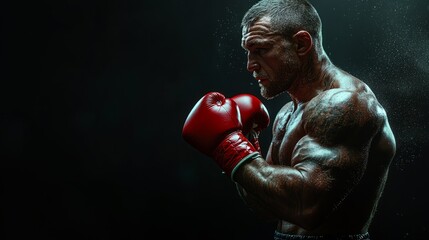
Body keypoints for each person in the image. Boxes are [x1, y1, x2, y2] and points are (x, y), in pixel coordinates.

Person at [182, 0, 396, 239]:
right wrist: (245, 144)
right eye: (248, 52)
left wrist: (230, 147)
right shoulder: (287, 113)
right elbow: (267, 207)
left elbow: (306, 208)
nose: (250, 65)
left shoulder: (346, 104)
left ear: (301, 44)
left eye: (261, 50)